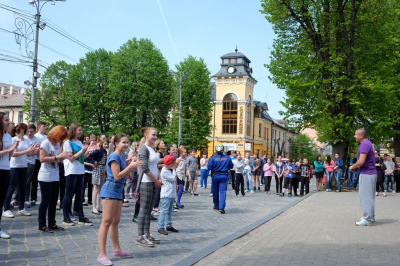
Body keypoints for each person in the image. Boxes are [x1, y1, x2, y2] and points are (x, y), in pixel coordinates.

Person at [97, 134, 140, 265]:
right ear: (116, 143)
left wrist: (128, 162)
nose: (126, 144)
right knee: (106, 222)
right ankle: (102, 255)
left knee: (115, 222)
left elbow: (121, 170)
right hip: (110, 190)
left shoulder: (121, 156)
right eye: (123, 142)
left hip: (117, 191)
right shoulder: (115, 156)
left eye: (128, 142)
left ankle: (117, 249)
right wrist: (131, 166)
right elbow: (116, 176)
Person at [37, 126, 69, 233]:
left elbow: (58, 157)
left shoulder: (57, 144)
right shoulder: (46, 143)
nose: (61, 140)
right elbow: (42, 159)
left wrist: (63, 157)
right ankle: (41, 225)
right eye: (61, 137)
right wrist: (57, 157)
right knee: (45, 201)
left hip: (55, 175)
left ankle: (52, 223)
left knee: (53, 200)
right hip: (45, 176)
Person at [136, 127, 163, 247]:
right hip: (146, 181)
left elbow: (155, 165)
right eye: (153, 135)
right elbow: (145, 168)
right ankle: (140, 236)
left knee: (149, 210)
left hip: (153, 181)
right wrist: (155, 180)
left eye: (156, 135)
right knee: (144, 209)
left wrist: (159, 178)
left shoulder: (152, 148)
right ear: (146, 135)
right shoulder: (143, 149)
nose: (155, 137)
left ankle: (147, 234)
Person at [62, 122, 93, 226]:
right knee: (69, 194)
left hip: (80, 170)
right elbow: (71, 158)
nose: (81, 132)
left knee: (80, 194)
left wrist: (87, 152)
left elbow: (81, 158)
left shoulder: (79, 143)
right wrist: (82, 151)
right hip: (71, 170)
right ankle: (66, 216)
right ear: (74, 130)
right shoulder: (67, 143)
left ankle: (80, 215)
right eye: (79, 130)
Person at [4, 123, 35, 218]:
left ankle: (21, 208)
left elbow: (28, 155)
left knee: (23, 187)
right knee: (12, 187)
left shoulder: (26, 140)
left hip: (24, 166)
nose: (26, 132)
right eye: (25, 129)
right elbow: (13, 154)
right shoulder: (13, 139)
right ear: (22, 130)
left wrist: (33, 151)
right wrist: (26, 151)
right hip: (14, 166)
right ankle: (6, 208)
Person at [349, 128, 377, 226]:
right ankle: (371, 217)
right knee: (370, 197)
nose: (354, 136)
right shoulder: (369, 143)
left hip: (366, 174)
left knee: (365, 197)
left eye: (355, 134)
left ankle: (367, 219)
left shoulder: (364, 144)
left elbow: (361, 161)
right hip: (371, 173)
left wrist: (352, 167)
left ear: (361, 136)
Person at [0, 112, 19, 239]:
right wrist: (9, 148)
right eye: (6, 120)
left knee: (1, 200)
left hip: (6, 169)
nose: (8, 122)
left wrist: (13, 148)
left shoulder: (7, 136)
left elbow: (9, 156)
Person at [207, 144, 233, 214]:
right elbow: (231, 166)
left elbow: (209, 167)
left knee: (215, 191)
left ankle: (216, 205)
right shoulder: (227, 157)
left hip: (215, 175)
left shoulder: (213, 158)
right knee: (223, 191)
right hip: (224, 175)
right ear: (223, 150)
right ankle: (221, 207)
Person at [157, 155, 179, 235]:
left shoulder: (168, 170)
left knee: (169, 211)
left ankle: (169, 225)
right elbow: (173, 178)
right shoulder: (165, 171)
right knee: (164, 210)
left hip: (171, 193)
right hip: (166, 193)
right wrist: (174, 170)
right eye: (172, 163)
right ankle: (160, 226)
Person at [24, 124, 40, 208]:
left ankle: (26, 198)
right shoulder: (23, 138)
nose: (29, 133)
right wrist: (29, 151)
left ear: (35, 131)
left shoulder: (37, 139)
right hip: (21, 162)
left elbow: (36, 152)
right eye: (28, 131)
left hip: (31, 162)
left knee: (28, 181)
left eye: (32, 132)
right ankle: (17, 198)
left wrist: (29, 152)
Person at [31, 121, 47, 206]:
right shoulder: (36, 136)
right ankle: (33, 197)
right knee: (34, 179)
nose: (45, 128)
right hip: (37, 159)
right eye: (44, 126)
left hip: (44, 160)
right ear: (39, 127)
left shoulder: (46, 137)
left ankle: (44, 197)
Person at [91, 140, 108, 215]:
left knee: (100, 189)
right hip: (97, 169)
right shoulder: (98, 151)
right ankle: (94, 207)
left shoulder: (105, 152)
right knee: (96, 189)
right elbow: (90, 155)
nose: (106, 145)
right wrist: (93, 162)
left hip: (102, 169)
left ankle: (98, 206)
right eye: (105, 144)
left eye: (107, 144)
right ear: (101, 144)